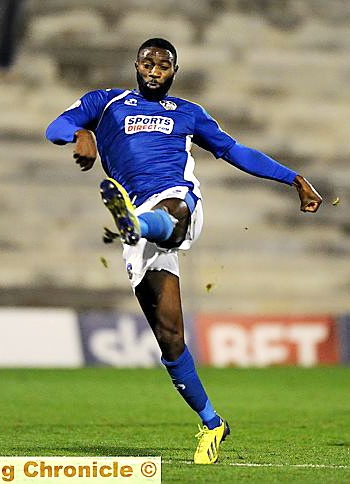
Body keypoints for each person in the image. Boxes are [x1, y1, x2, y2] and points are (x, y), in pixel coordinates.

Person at [45, 38, 322, 464]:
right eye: (148, 61)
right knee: (170, 338)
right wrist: (82, 133)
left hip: (177, 203)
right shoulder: (106, 103)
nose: (155, 69)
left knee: (171, 214)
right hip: (142, 228)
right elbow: (54, 128)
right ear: (136, 64)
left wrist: (293, 178)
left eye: (164, 64)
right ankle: (213, 423)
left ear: (174, 71)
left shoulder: (187, 113)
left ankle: (134, 225)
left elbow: (234, 150)